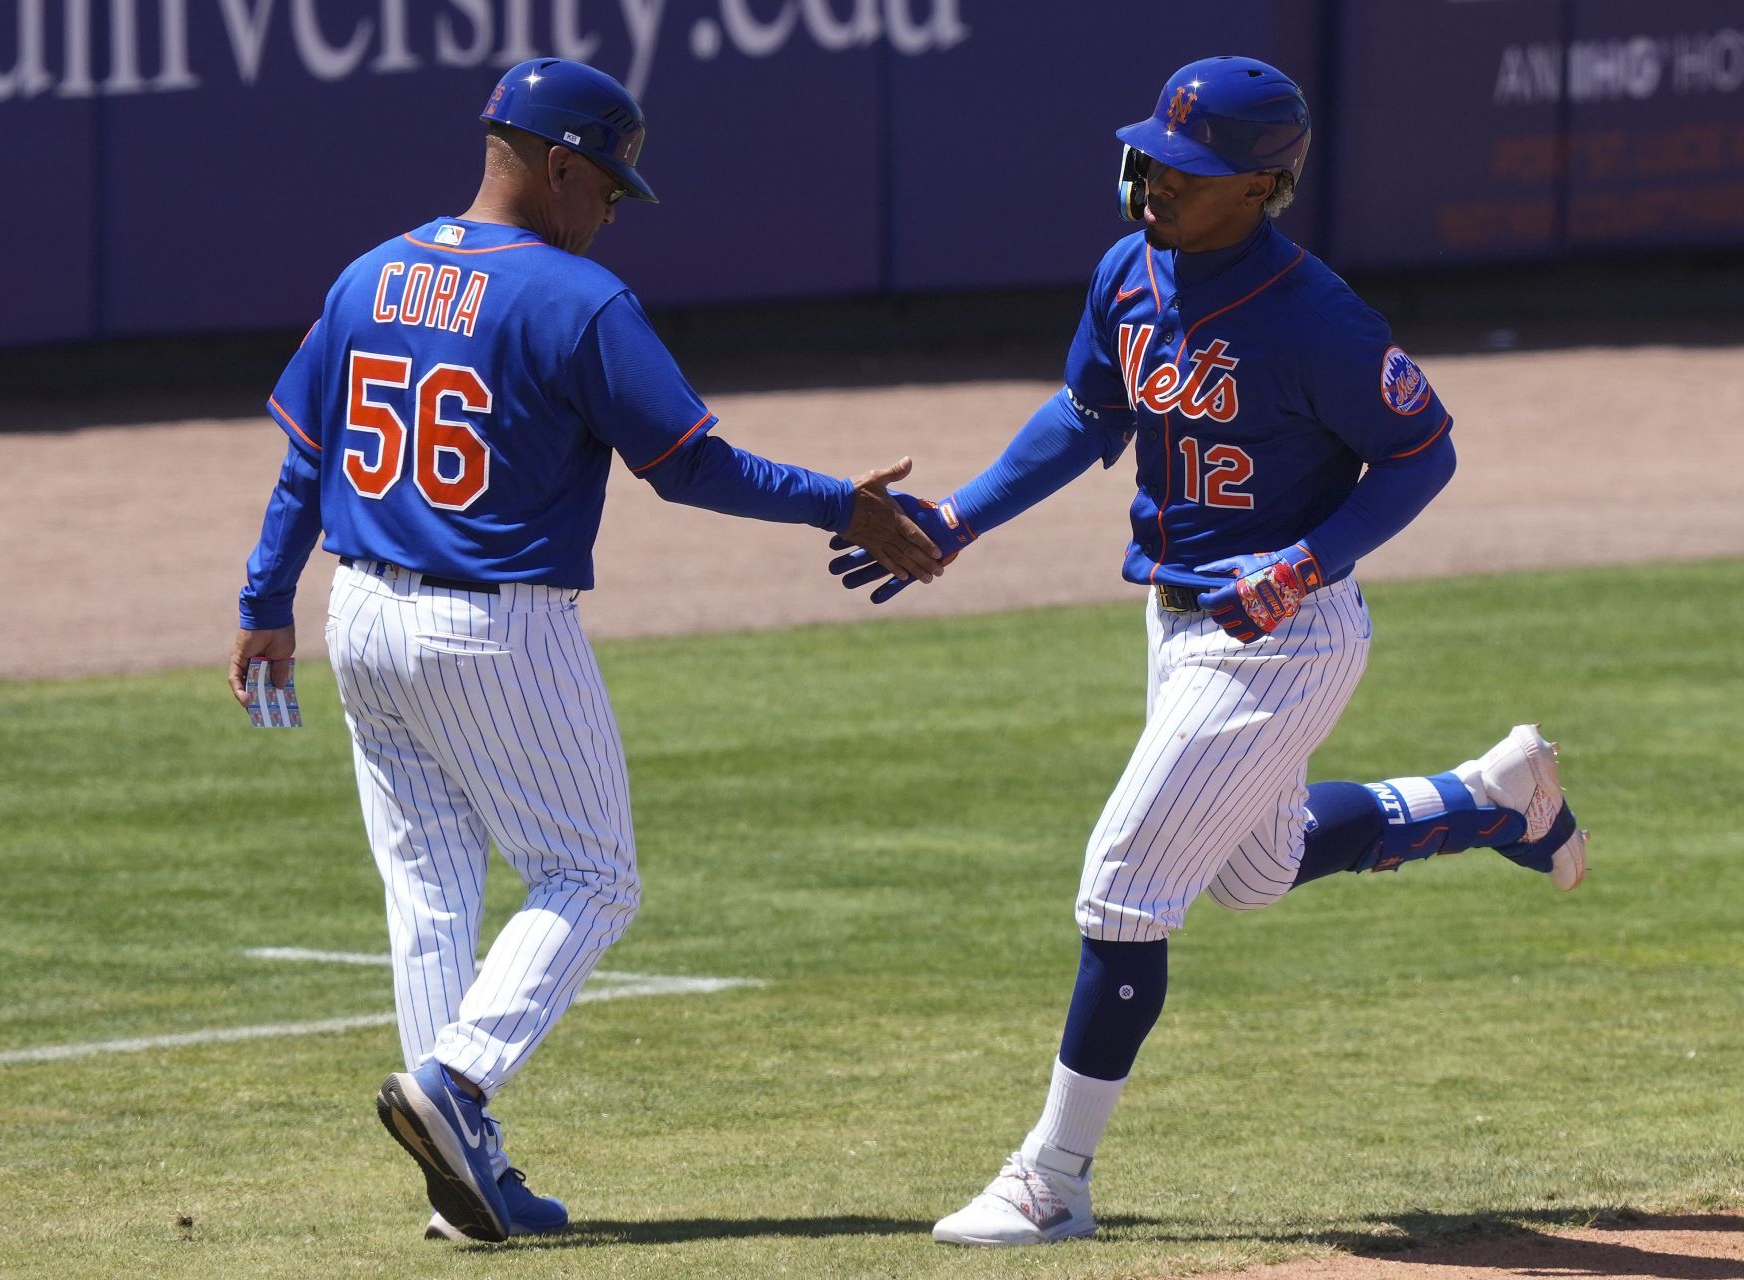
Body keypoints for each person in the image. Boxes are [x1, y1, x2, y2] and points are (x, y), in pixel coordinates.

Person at [827, 55, 1589, 1247]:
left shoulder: (1318, 316)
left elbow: (1423, 453)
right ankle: (1493, 797)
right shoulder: (1127, 272)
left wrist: (1305, 563)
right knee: (1256, 869)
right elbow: (1086, 414)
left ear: (1262, 184)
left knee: (1123, 884)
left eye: (1187, 168)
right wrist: (960, 518)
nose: (1154, 181)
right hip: (1178, 620)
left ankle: (1051, 1179)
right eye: (1150, 156)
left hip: (1285, 635)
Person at [228, 58, 943, 1244]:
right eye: (607, 185)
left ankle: (464, 1182)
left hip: (359, 614)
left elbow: (309, 455)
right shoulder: (577, 299)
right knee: (592, 875)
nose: (612, 208)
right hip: (492, 626)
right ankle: (455, 1087)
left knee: (432, 894)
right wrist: (842, 504)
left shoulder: (371, 271)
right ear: (556, 164)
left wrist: (265, 596)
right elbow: (692, 466)